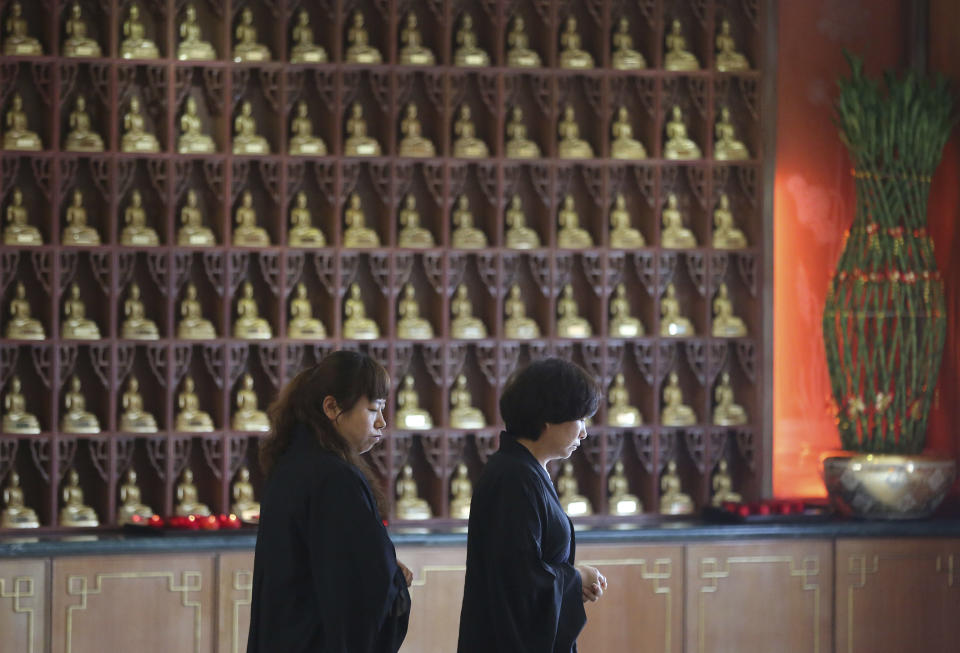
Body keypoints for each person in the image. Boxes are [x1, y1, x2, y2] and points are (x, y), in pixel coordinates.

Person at [247, 351, 412, 653]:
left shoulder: (290, 464)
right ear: (332, 407)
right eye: (374, 409)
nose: (383, 422)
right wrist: (393, 576)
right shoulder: (336, 478)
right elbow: (363, 592)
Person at [458, 358, 608, 653]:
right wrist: (575, 579)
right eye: (580, 418)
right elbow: (518, 581)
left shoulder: (526, 470)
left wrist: (572, 581)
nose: (584, 433)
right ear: (548, 418)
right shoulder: (514, 478)